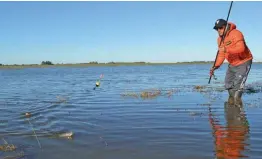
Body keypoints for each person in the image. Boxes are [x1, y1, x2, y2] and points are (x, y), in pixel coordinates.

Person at [210, 19, 253, 106]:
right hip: (232, 63)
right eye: (216, 29)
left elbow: (241, 49)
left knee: (237, 86)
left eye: (221, 28)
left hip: (244, 61)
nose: (219, 30)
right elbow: (221, 54)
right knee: (228, 84)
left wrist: (227, 49)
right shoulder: (219, 40)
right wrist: (215, 66)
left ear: (226, 27)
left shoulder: (236, 33)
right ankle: (231, 111)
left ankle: (237, 107)